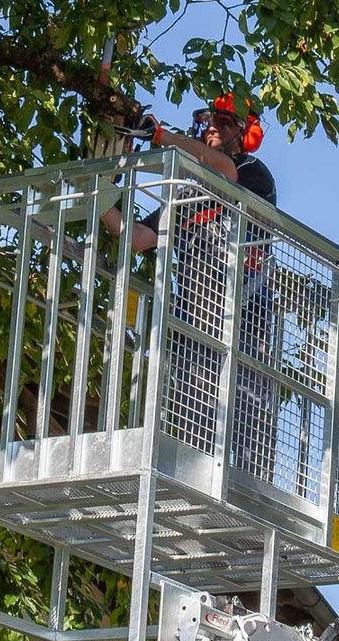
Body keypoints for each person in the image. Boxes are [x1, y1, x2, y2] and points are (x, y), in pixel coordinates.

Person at [101, 95, 279, 476]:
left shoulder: (251, 171)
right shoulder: (184, 193)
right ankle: (188, 469)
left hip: (245, 314)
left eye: (226, 122)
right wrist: (99, 195)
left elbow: (219, 169)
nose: (213, 127)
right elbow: (139, 238)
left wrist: (159, 136)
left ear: (246, 134)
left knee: (244, 412)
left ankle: (244, 479)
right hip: (195, 312)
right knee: (190, 404)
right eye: (208, 120)